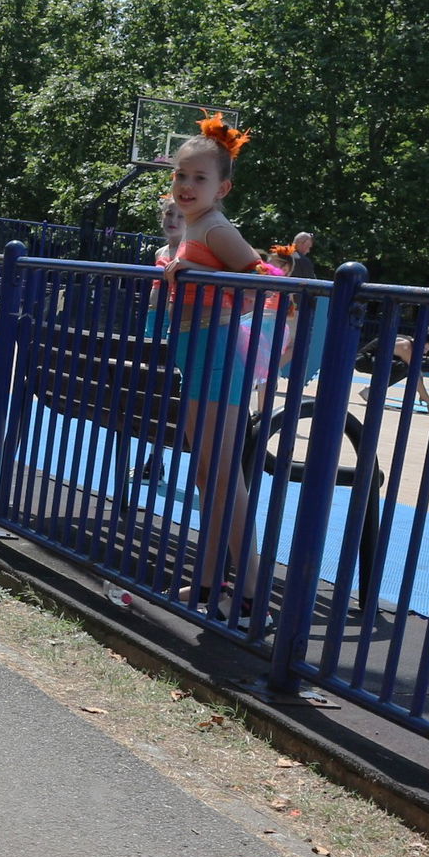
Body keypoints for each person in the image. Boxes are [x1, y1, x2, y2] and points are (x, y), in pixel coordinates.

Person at [153, 117, 309, 608]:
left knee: (221, 474)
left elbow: (264, 278)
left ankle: (250, 587)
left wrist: (198, 269)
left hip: (219, 356)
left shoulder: (216, 227)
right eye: (180, 175)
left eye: (199, 178)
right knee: (206, 474)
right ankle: (208, 579)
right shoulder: (192, 226)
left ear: (222, 187)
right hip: (197, 355)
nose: (186, 185)